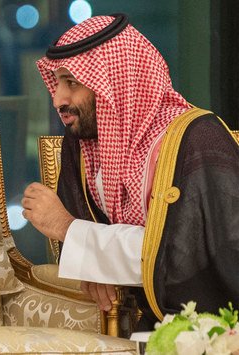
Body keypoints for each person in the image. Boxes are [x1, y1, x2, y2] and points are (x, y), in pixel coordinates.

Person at [21, 14, 239, 329]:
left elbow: (187, 258)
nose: (57, 99)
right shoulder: (82, 146)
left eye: (72, 82)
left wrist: (72, 231)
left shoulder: (196, 139)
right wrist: (94, 262)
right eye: (56, 83)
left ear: (115, 82)